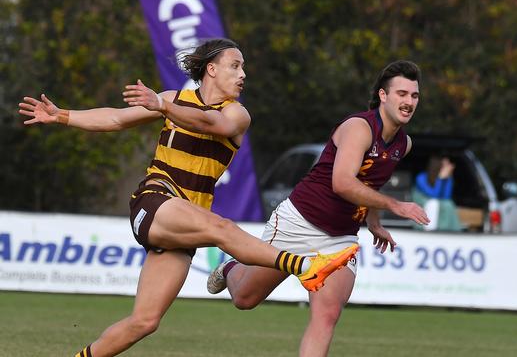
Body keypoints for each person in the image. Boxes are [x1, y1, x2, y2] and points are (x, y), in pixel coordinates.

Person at [17, 38, 358, 357]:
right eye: (235, 66)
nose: (243, 75)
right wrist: (62, 115)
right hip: (155, 199)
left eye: (243, 69)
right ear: (211, 69)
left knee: (145, 322)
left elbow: (213, 125)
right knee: (220, 228)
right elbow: (117, 118)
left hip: (186, 220)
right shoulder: (172, 100)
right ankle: (305, 266)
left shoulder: (236, 114)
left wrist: (163, 105)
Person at [206, 60, 429, 357]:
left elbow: (373, 180)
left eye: (414, 96)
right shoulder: (359, 127)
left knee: (326, 317)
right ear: (383, 96)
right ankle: (233, 267)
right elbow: (343, 183)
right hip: (298, 222)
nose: (409, 101)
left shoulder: (404, 143)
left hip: (340, 239)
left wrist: (374, 222)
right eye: (402, 93)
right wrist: (395, 206)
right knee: (245, 299)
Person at [411, 155, 462, 231]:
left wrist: (447, 179)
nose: (449, 167)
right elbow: (433, 195)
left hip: (437, 204)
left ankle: (447, 230)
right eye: (446, 165)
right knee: (434, 203)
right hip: (424, 204)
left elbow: (446, 197)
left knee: (448, 204)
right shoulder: (421, 177)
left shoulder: (447, 179)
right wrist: (440, 179)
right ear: (438, 166)